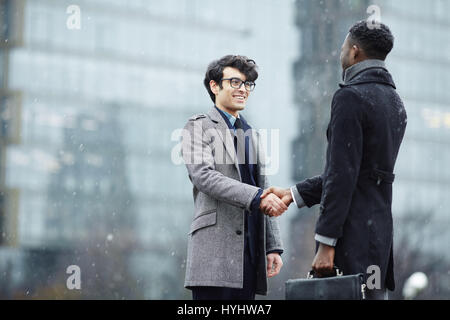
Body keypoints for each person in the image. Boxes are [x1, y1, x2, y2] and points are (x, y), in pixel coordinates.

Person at [262, 21, 407, 300]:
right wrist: (294, 194)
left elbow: (343, 174)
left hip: (349, 236)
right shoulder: (394, 101)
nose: (340, 53)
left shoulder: (350, 97)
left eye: (343, 47)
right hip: (379, 239)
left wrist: (326, 242)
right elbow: (359, 172)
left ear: (354, 52)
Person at [181, 55, 285, 300]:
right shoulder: (198, 127)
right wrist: (256, 196)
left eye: (248, 84)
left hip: (249, 254)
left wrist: (273, 246)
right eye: (235, 82)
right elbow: (204, 177)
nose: (243, 90)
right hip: (214, 253)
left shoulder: (252, 133)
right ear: (214, 86)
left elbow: (264, 186)